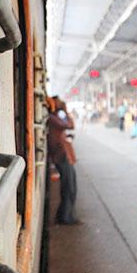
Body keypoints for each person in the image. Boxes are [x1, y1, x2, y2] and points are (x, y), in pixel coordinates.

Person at [47, 96, 80, 225]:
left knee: (71, 185)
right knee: (68, 186)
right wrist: (65, 111)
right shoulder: (52, 119)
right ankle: (65, 217)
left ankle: (67, 215)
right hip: (61, 156)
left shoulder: (54, 117)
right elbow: (70, 125)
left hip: (63, 155)